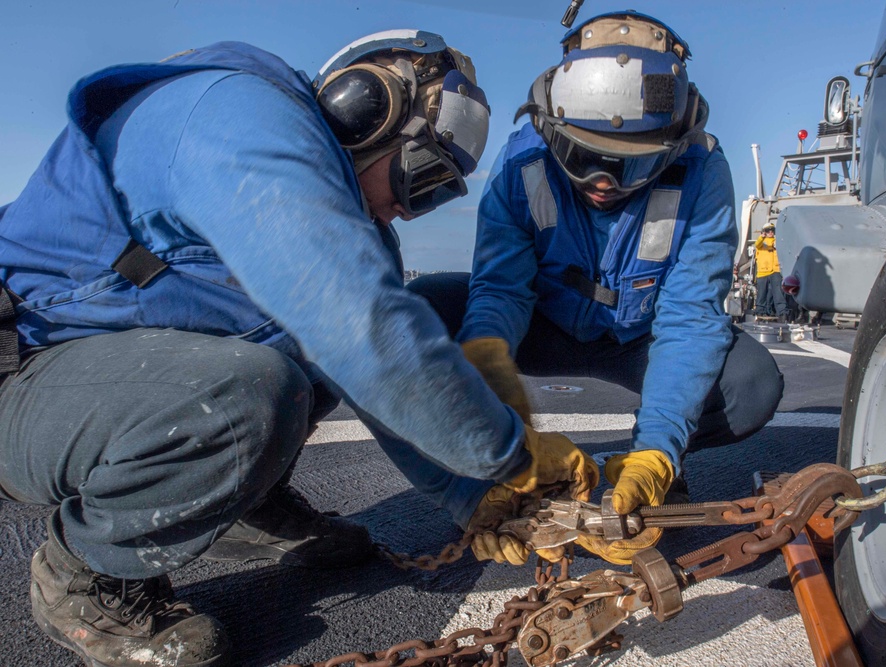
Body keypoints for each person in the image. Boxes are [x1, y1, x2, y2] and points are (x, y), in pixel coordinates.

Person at [0, 33, 598, 666]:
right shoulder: (234, 117)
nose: (406, 209)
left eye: (437, 196)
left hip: (126, 385)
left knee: (421, 308)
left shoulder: (347, 215)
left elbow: (380, 373)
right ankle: (86, 574)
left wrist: (473, 497)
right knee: (251, 391)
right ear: (363, 107)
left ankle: (242, 504)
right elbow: (355, 322)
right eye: (418, 178)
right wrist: (509, 455)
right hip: (25, 376)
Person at [407, 11, 784, 566]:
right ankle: (483, 481)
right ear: (551, 127)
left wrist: (658, 449)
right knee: (421, 313)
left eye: (631, 167)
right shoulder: (523, 161)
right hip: (543, 325)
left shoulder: (703, 171)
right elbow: (502, 294)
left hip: (643, 339)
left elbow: (689, 318)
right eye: (584, 159)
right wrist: (496, 437)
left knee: (751, 385)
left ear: (672, 144)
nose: (605, 184)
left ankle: (649, 465)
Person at [754, 221, 788, 321]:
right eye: (767, 230)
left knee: (779, 293)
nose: (770, 232)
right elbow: (757, 244)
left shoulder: (778, 242)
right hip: (763, 272)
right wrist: (762, 236)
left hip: (775, 271)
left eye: (772, 230)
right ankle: (760, 312)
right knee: (761, 294)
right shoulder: (761, 242)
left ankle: (782, 313)